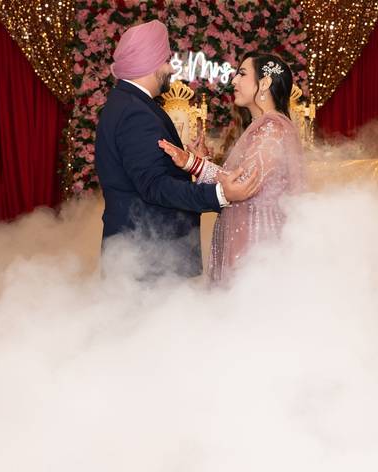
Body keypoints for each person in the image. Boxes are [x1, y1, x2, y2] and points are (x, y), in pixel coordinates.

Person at [94, 20, 260, 278]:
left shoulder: (128, 103)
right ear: (148, 62)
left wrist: (192, 162)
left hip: (141, 254)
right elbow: (154, 186)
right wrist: (218, 194)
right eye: (166, 59)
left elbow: (147, 174)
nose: (171, 68)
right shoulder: (135, 112)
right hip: (148, 258)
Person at [159, 53, 306, 283]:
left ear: (265, 83)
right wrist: (200, 164)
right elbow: (234, 182)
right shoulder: (261, 126)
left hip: (259, 239)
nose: (234, 81)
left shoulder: (273, 127)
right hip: (245, 230)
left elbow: (243, 182)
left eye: (242, 74)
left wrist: (192, 163)